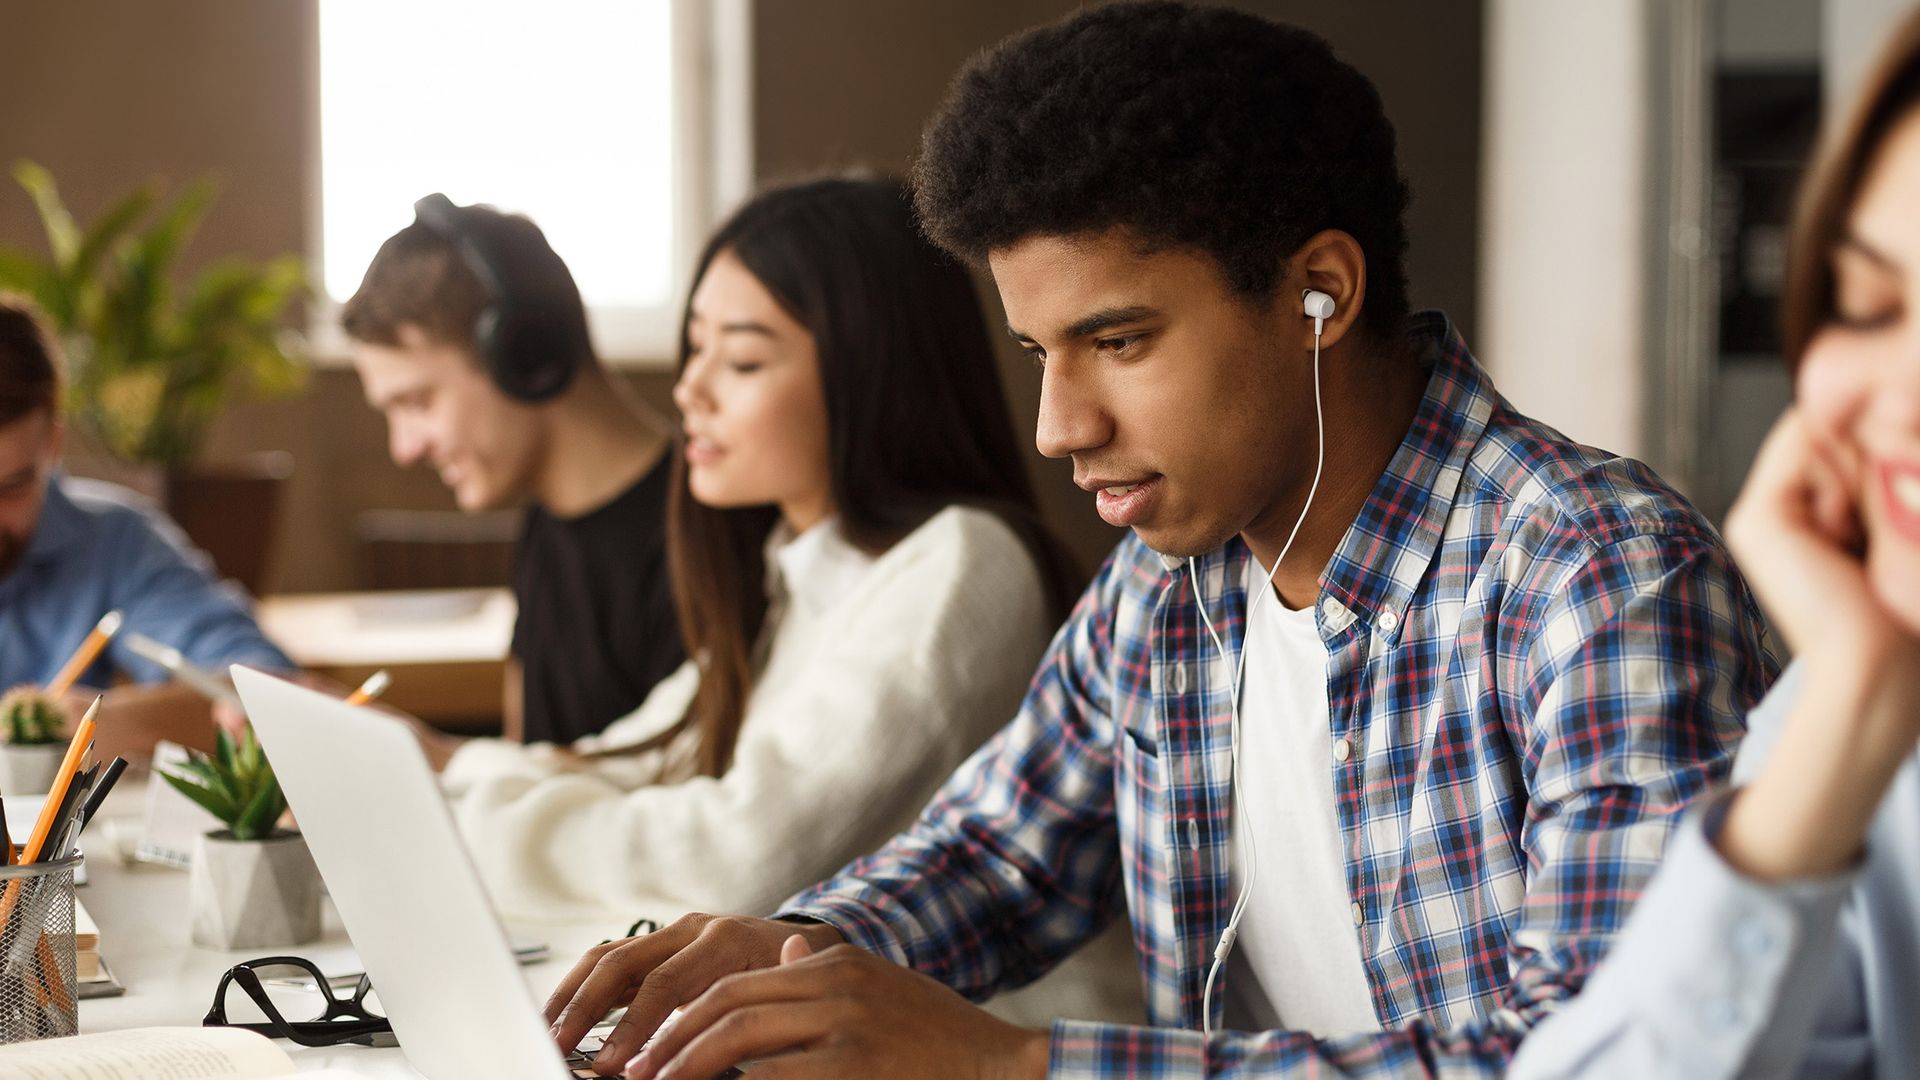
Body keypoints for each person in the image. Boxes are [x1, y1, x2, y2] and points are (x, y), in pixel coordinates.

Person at [542, 6, 1778, 1078]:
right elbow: (998, 858)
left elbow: (1606, 1053)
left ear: (1322, 294)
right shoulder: (1170, 580)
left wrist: (1007, 1066)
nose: (1058, 427)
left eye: (1119, 343)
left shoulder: (1598, 581)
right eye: (1040, 355)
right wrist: (782, 960)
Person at [423, 176, 1083, 927]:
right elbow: (633, 759)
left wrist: (454, 813)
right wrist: (443, 767)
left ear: (867, 373)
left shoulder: (962, 563)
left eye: (739, 362)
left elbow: (736, 862)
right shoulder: (798, 569)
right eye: (695, 347)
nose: (689, 390)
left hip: (1001, 1034)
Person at [1509, 10, 1920, 1078]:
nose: (1895, 399)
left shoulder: (1598, 562)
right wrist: (1853, 709)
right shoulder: (1862, 720)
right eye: (1871, 304)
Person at [341, 197, 681, 745]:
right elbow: (526, 772)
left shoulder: (702, 538)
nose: (404, 449)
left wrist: (431, 757)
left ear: (523, 355)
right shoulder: (547, 523)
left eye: (418, 402)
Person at [0, 296, 293, 743]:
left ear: (53, 446)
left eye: (12, 487)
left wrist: (79, 723)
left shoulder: (114, 541)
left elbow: (265, 688)